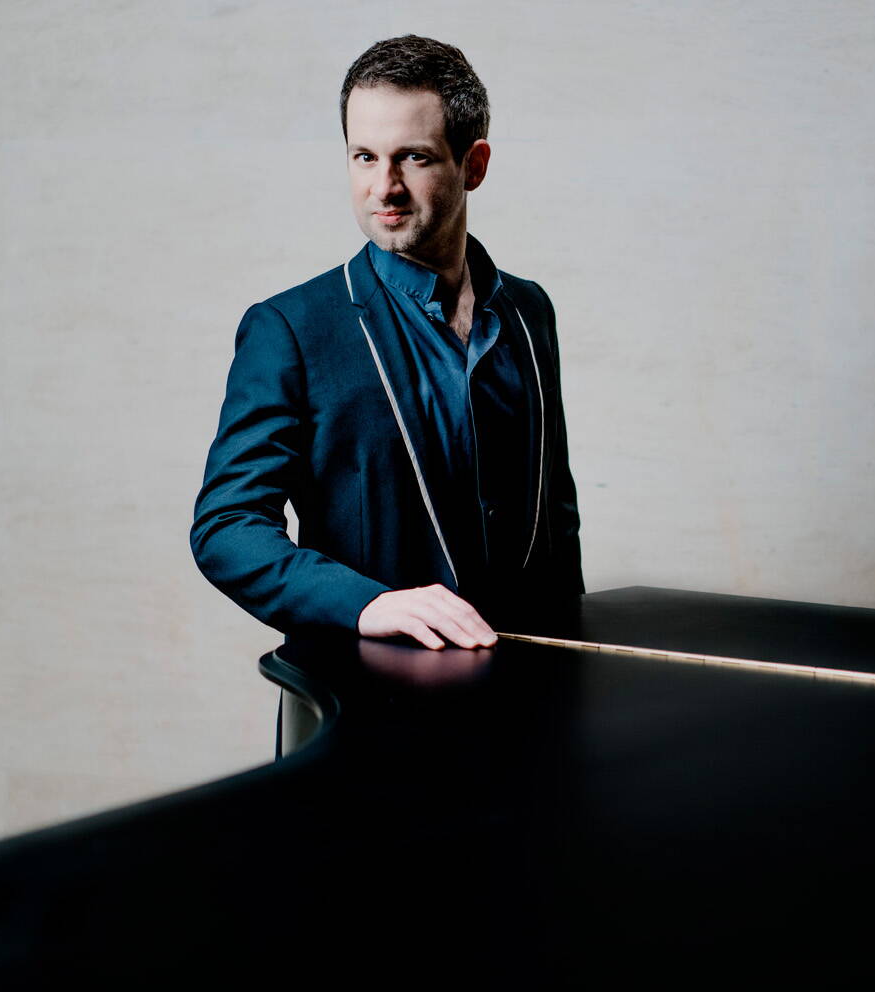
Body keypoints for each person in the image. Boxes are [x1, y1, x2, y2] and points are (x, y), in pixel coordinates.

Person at [191, 35, 582, 651]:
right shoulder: (290, 328)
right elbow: (227, 526)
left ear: (474, 165)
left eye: (414, 158)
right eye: (365, 157)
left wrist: (574, 664)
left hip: (524, 682)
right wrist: (367, 603)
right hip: (365, 684)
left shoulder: (530, 311)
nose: (385, 187)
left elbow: (555, 514)